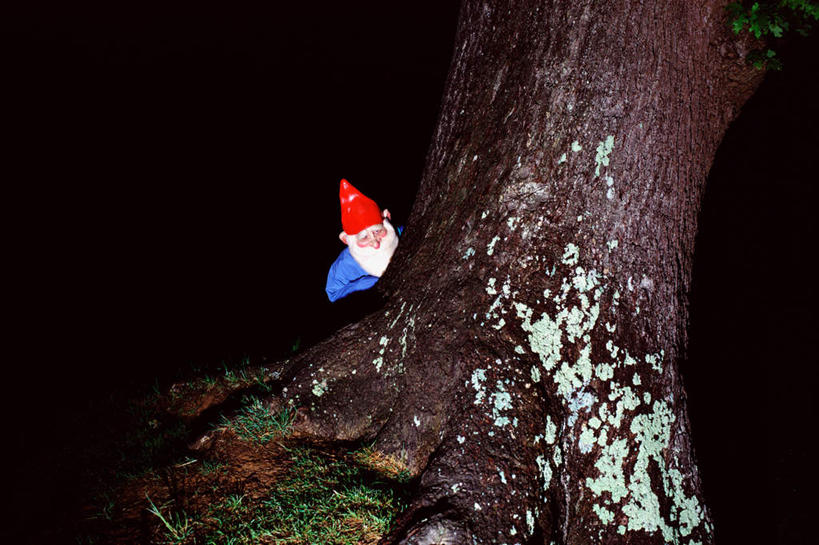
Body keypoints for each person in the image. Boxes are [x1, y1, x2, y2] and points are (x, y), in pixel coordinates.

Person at [325, 179, 400, 302]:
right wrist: (371, 285)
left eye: (377, 231)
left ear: (387, 217)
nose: (375, 244)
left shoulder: (402, 234)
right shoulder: (345, 264)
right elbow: (333, 294)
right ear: (345, 240)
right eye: (365, 237)